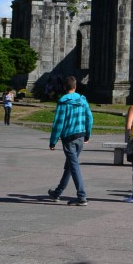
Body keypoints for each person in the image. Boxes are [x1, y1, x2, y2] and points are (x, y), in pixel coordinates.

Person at [47, 76, 93, 206]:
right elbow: (89, 118)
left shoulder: (63, 102)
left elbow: (58, 123)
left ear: (64, 87)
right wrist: (87, 135)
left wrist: (53, 141)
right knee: (70, 165)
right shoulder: (83, 100)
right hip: (80, 136)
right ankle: (57, 192)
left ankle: (82, 196)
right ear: (75, 86)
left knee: (74, 166)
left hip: (69, 138)